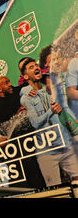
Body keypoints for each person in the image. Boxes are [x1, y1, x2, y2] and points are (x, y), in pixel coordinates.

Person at [20, 57, 78, 187]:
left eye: (35, 65)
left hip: (65, 145)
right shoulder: (26, 97)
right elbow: (35, 123)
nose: (35, 67)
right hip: (46, 153)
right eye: (31, 67)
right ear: (25, 76)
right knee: (56, 190)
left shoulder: (50, 84)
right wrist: (51, 111)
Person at [0, 76, 45, 189]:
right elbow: (4, 127)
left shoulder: (15, 91)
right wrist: (16, 115)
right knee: (29, 169)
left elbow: (25, 87)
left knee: (38, 166)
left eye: (9, 81)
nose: (10, 84)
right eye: (6, 83)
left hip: (32, 136)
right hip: (18, 145)